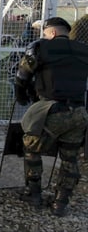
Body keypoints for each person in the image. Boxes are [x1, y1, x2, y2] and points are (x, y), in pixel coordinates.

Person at [14, 17, 88, 217]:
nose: (44, 37)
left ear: (52, 33)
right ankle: (60, 203)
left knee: (31, 147)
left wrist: (22, 98)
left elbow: (22, 77)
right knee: (70, 159)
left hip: (51, 109)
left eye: (45, 33)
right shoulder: (84, 50)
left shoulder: (41, 48)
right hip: (79, 113)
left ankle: (34, 193)